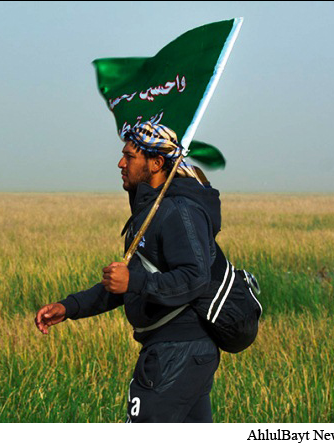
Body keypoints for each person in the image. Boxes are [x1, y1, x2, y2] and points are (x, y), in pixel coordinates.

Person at [34, 121, 224, 423]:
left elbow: (194, 278)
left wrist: (133, 279)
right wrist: (69, 307)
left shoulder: (178, 211)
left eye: (130, 156)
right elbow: (126, 285)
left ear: (157, 162)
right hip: (178, 352)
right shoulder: (150, 213)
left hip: (176, 352)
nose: (120, 163)